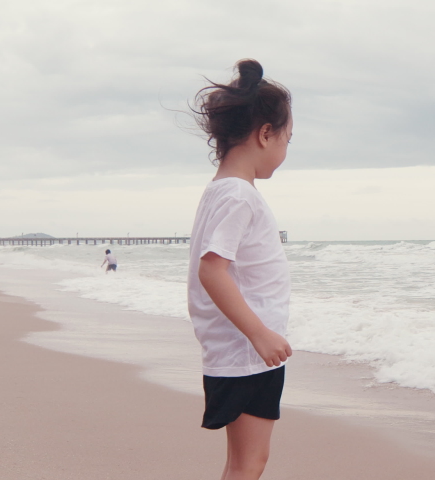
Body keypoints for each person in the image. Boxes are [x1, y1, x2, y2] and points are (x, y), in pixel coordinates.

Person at [187, 58, 293, 480]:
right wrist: (260, 333)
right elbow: (212, 271)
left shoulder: (223, 191)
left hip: (238, 352)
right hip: (247, 354)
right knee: (251, 463)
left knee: (240, 462)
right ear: (265, 134)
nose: (286, 150)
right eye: (287, 138)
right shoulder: (237, 196)